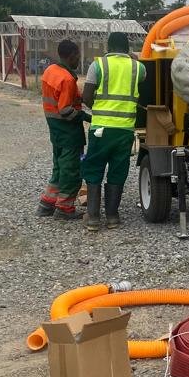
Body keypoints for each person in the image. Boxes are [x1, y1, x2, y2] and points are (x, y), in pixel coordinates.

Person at [81, 31, 146, 231]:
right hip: (125, 130)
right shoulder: (138, 67)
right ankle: (112, 217)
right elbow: (141, 81)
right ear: (127, 48)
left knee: (94, 169)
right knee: (118, 170)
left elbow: (86, 96)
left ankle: (93, 218)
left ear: (108, 47)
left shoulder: (98, 65)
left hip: (101, 127)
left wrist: (99, 109)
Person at [38, 39, 89, 220]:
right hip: (69, 132)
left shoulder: (51, 71)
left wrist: (80, 97)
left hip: (56, 130)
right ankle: (64, 209)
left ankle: (47, 203)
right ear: (72, 55)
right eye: (78, 56)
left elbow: (58, 98)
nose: (79, 60)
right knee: (71, 170)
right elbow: (66, 109)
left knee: (59, 167)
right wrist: (86, 117)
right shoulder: (67, 79)